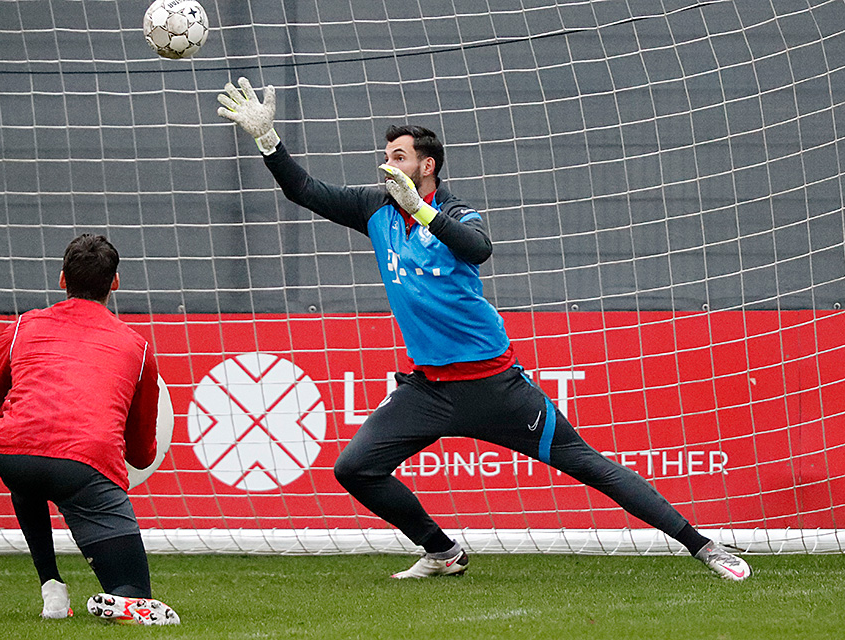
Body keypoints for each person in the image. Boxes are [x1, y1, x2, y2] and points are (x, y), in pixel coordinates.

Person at [217, 78, 751, 581]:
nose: (387, 165)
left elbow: (479, 249)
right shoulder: (375, 208)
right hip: (428, 390)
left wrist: (422, 212)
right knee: (354, 468)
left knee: (589, 466)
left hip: (496, 388)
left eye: (398, 157)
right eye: (386, 156)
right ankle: (443, 552)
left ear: (427, 166)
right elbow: (303, 190)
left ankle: (703, 546)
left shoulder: (456, 212)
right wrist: (268, 140)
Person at [0, 233, 181, 623]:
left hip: (15, 459)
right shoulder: (138, 348)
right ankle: (115, 597)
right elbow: (141, 453)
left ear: (62, 278)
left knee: (28, 467)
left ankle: (52, 587)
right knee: (134, 594)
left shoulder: (21, 327)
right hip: (83, 466)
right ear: (115, 282)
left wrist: (30, 414)